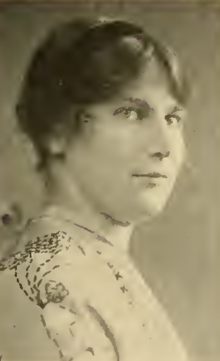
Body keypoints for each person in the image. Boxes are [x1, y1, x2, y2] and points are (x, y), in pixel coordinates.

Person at [0, 16, 191, 361]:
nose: (165, 145)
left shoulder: (107, 272)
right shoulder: (45, 283)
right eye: (132, 113)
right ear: (55, 130)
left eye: (173, 118)